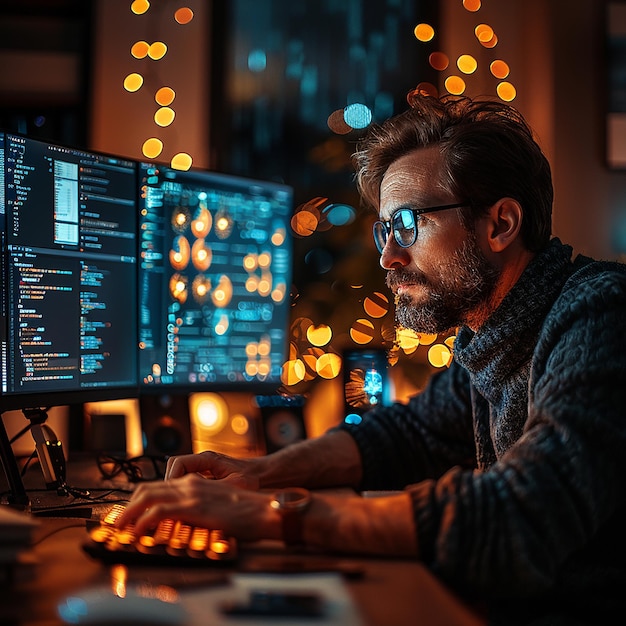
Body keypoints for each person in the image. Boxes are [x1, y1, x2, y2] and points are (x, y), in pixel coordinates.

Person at [117, 94, 626, 625]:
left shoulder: (600, 315)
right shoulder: (494, 336)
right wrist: (258, 474)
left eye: (407, 224)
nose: (388, 256)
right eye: (384, 231)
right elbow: (407, 433)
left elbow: (521, 514)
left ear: (500, 225)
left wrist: (272, 513)